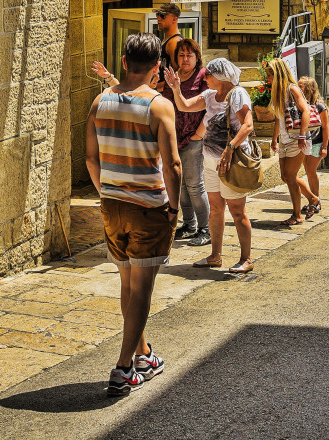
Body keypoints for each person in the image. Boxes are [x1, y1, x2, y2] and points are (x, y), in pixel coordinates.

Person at [83, 32, 181, 395]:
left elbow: (91, 158)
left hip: (112, 205)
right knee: (142, 288)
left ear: (124, 62)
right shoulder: (158, 106)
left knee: (127, 283)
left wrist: (105, 191)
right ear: (157, 68)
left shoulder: (100, 102)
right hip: (148, 207)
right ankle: (124, 367)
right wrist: (173, 206)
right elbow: (172, 164)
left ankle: (143, 355)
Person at [168, 57, 257, 275]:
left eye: (207, 74)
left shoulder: (237, 94)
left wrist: (230, 148)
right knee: (216, 209)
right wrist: (176, 88)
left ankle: (246, 258)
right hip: (210, 161)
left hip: (232, 161)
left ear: (220, 76)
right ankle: (215, 256)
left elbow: (248, 125)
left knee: (237, 211)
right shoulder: (209, 95)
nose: (204, 77)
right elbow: (184, 106)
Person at [266, 57, 321, 227]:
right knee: (285, 176)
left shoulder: (292, 89)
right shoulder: (278, 92)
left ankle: (297, 215)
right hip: (285, 139)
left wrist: (303, 136)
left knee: (290, 176)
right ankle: (312, 198)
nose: (267, 79)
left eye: (269, 76)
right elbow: (278, 118)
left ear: (278, 74)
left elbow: (305, 111)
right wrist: (274, 139)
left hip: (298, 139)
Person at [171, 39, 210, 247]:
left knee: (195, 185)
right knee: (182, 187)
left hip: (194, 138)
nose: (185, 59)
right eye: (181, 55)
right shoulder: (173, 76)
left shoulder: (202, 76)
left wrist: (198, 134)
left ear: (197, 57)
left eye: (189, 55)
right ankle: (189, 225)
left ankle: (205, 229)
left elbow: (210, 106)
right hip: (175, 139)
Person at [297, 76, 328, 217]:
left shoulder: (320, 106)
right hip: (306, 142)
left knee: (311, 171)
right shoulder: (300, 104)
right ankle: (313, 200)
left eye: (301, 86)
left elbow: (326, 127)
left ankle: (315, 200)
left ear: (308, 88)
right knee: (308, 172)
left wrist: (325, 147)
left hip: (317, 142)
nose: (298, 88)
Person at [153, 3, 182, 94]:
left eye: (163, 16)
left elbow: (180, 75)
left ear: (174, 19)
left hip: (167, 95)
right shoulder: (168, 40)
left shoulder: (174, 43)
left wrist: (155, 88)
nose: (158, 18)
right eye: (157, 15)